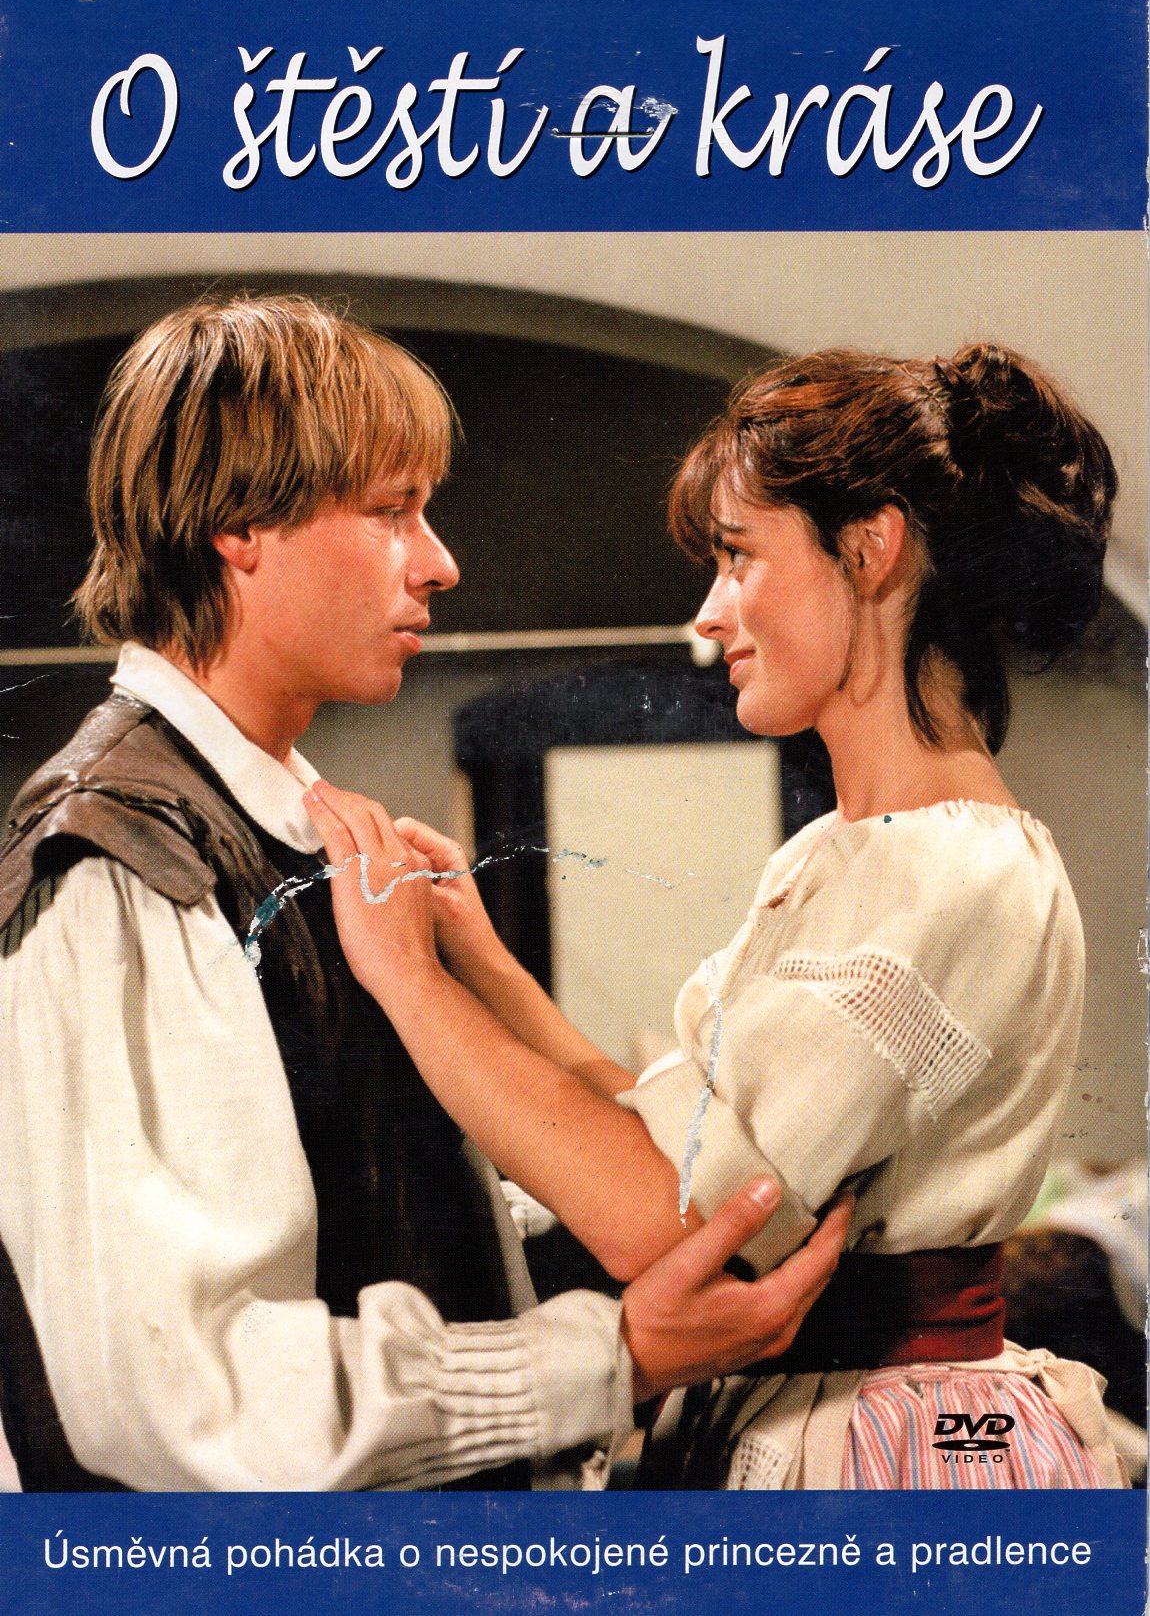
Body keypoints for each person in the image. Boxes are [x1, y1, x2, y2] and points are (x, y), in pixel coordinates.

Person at [0, 295, 851, 1493]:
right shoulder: (120, 858)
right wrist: (608, 1352)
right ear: (240, 526)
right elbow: (191, 1396)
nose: (440, 561)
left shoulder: (291, 832)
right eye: (390, 511)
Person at [302, 343, 1128, 1488]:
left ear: (871, 547)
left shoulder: (946, 869)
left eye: (739, 556)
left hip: (893, 1450)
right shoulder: (845, 852)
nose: (711, 612)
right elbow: (671, 1137)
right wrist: (481, 961)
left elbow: (673, 1215)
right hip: (822, 1413)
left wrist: (404, 978)